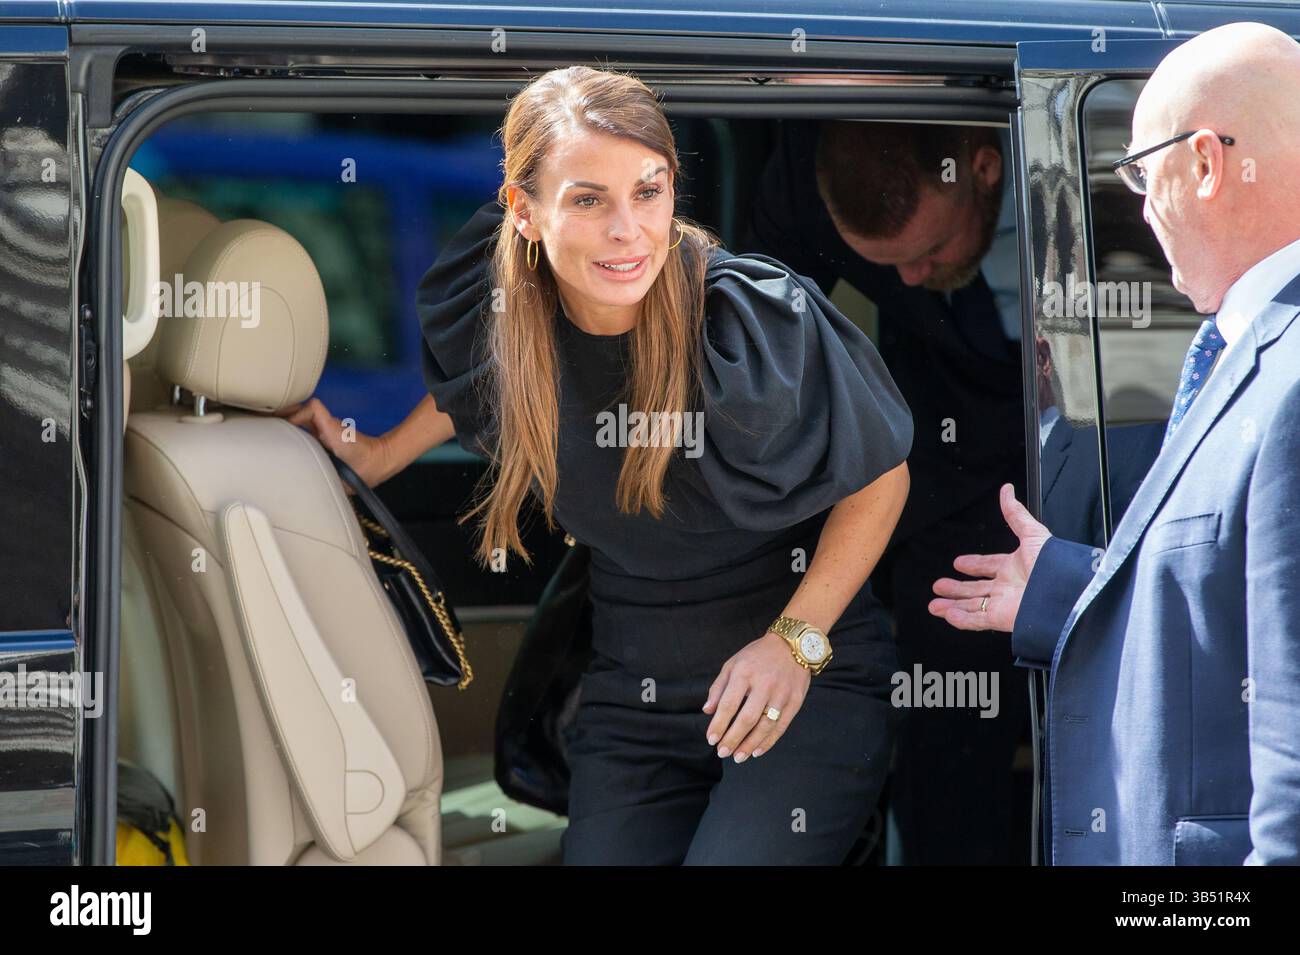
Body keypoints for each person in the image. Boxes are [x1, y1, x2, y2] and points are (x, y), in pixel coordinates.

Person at [283, 65, 914, 864]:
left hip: (797, 678)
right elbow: (477, 386)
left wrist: (796, 643)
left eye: (649, 192)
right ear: (524, 210)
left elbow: (880, 475)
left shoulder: (748, 325)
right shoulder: (509, 315)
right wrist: (373, 455)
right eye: (588, 199)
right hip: (631, 694)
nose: (629, 231)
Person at [929, 21, 1300, 865]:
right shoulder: (1253, 350)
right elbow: (1229, 617)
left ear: (1204, 162)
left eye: (1141, 170)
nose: (1137, 202)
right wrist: (1072, 590)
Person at [744, 120, 1031, 863]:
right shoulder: (804, 186)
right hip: (950, 474)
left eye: (931, 252)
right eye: (888, 265)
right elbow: (752, 340)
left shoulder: (1082, 142)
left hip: (1118, 458)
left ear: (983, 166)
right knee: (947, 738)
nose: (907, 279)